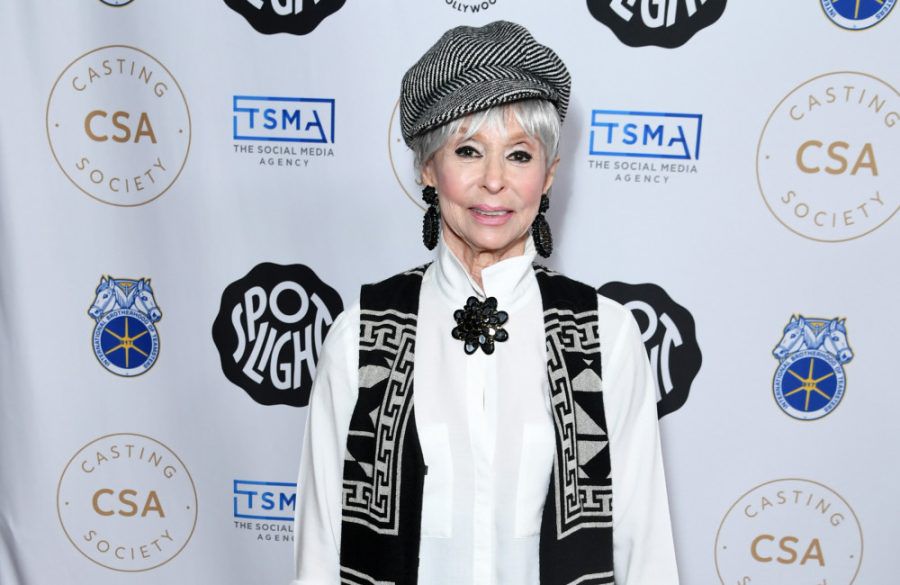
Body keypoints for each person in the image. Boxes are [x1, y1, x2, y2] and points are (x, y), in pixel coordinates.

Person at [291, 21, 679, 585]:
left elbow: (645, 550)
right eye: (469, 150)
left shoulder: (605, 334)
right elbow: (320, 551)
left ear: (548, 176)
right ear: (428, 167)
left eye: (519, 156)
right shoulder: (362, 333)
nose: (494, 181)